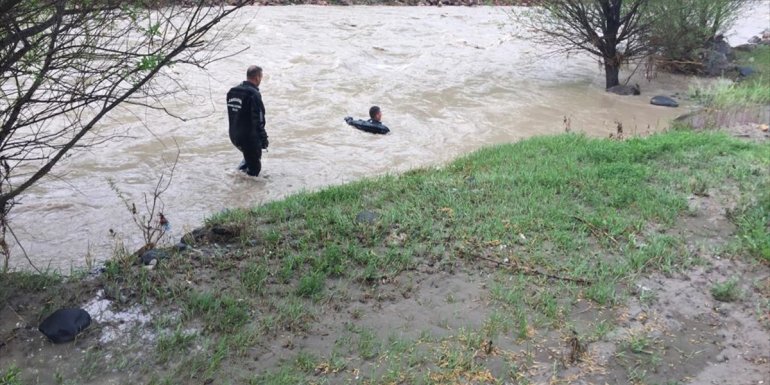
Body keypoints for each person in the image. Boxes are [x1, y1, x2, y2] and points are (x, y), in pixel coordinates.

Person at [227, 65, 268, 177]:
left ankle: (236, 179)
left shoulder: (232, 91)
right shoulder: (253, 94)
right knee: (255, 168)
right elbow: (259, 119)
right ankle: (247, 190)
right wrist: (263, 139)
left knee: (249, 158)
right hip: (248, 137)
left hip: (234, 135)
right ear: (258, 77)